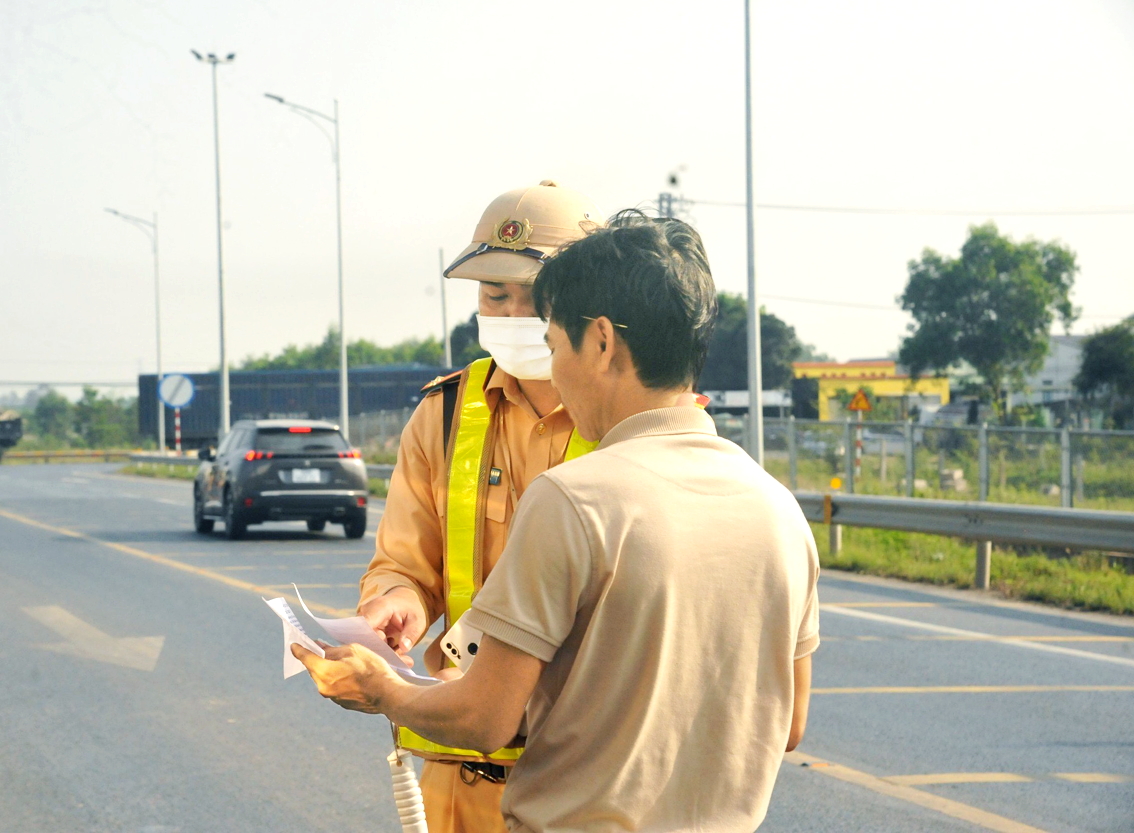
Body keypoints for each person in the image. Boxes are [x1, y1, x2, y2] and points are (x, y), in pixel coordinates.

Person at [295, 210, 820, 832]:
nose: (545, 356)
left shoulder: (572, 497)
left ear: (599, 341)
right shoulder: (777, 506)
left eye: (552, 339)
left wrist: (381, 689)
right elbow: (786, 724)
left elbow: (484, 717)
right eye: (496, 296)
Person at [355, 180, 605, 833]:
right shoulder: (441, 416)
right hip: (462, 771)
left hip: (589, 778)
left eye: (536, 296)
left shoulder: (628, 422)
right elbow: (407, 562)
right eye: (495, 294)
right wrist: (397, 601)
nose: (515, 313)